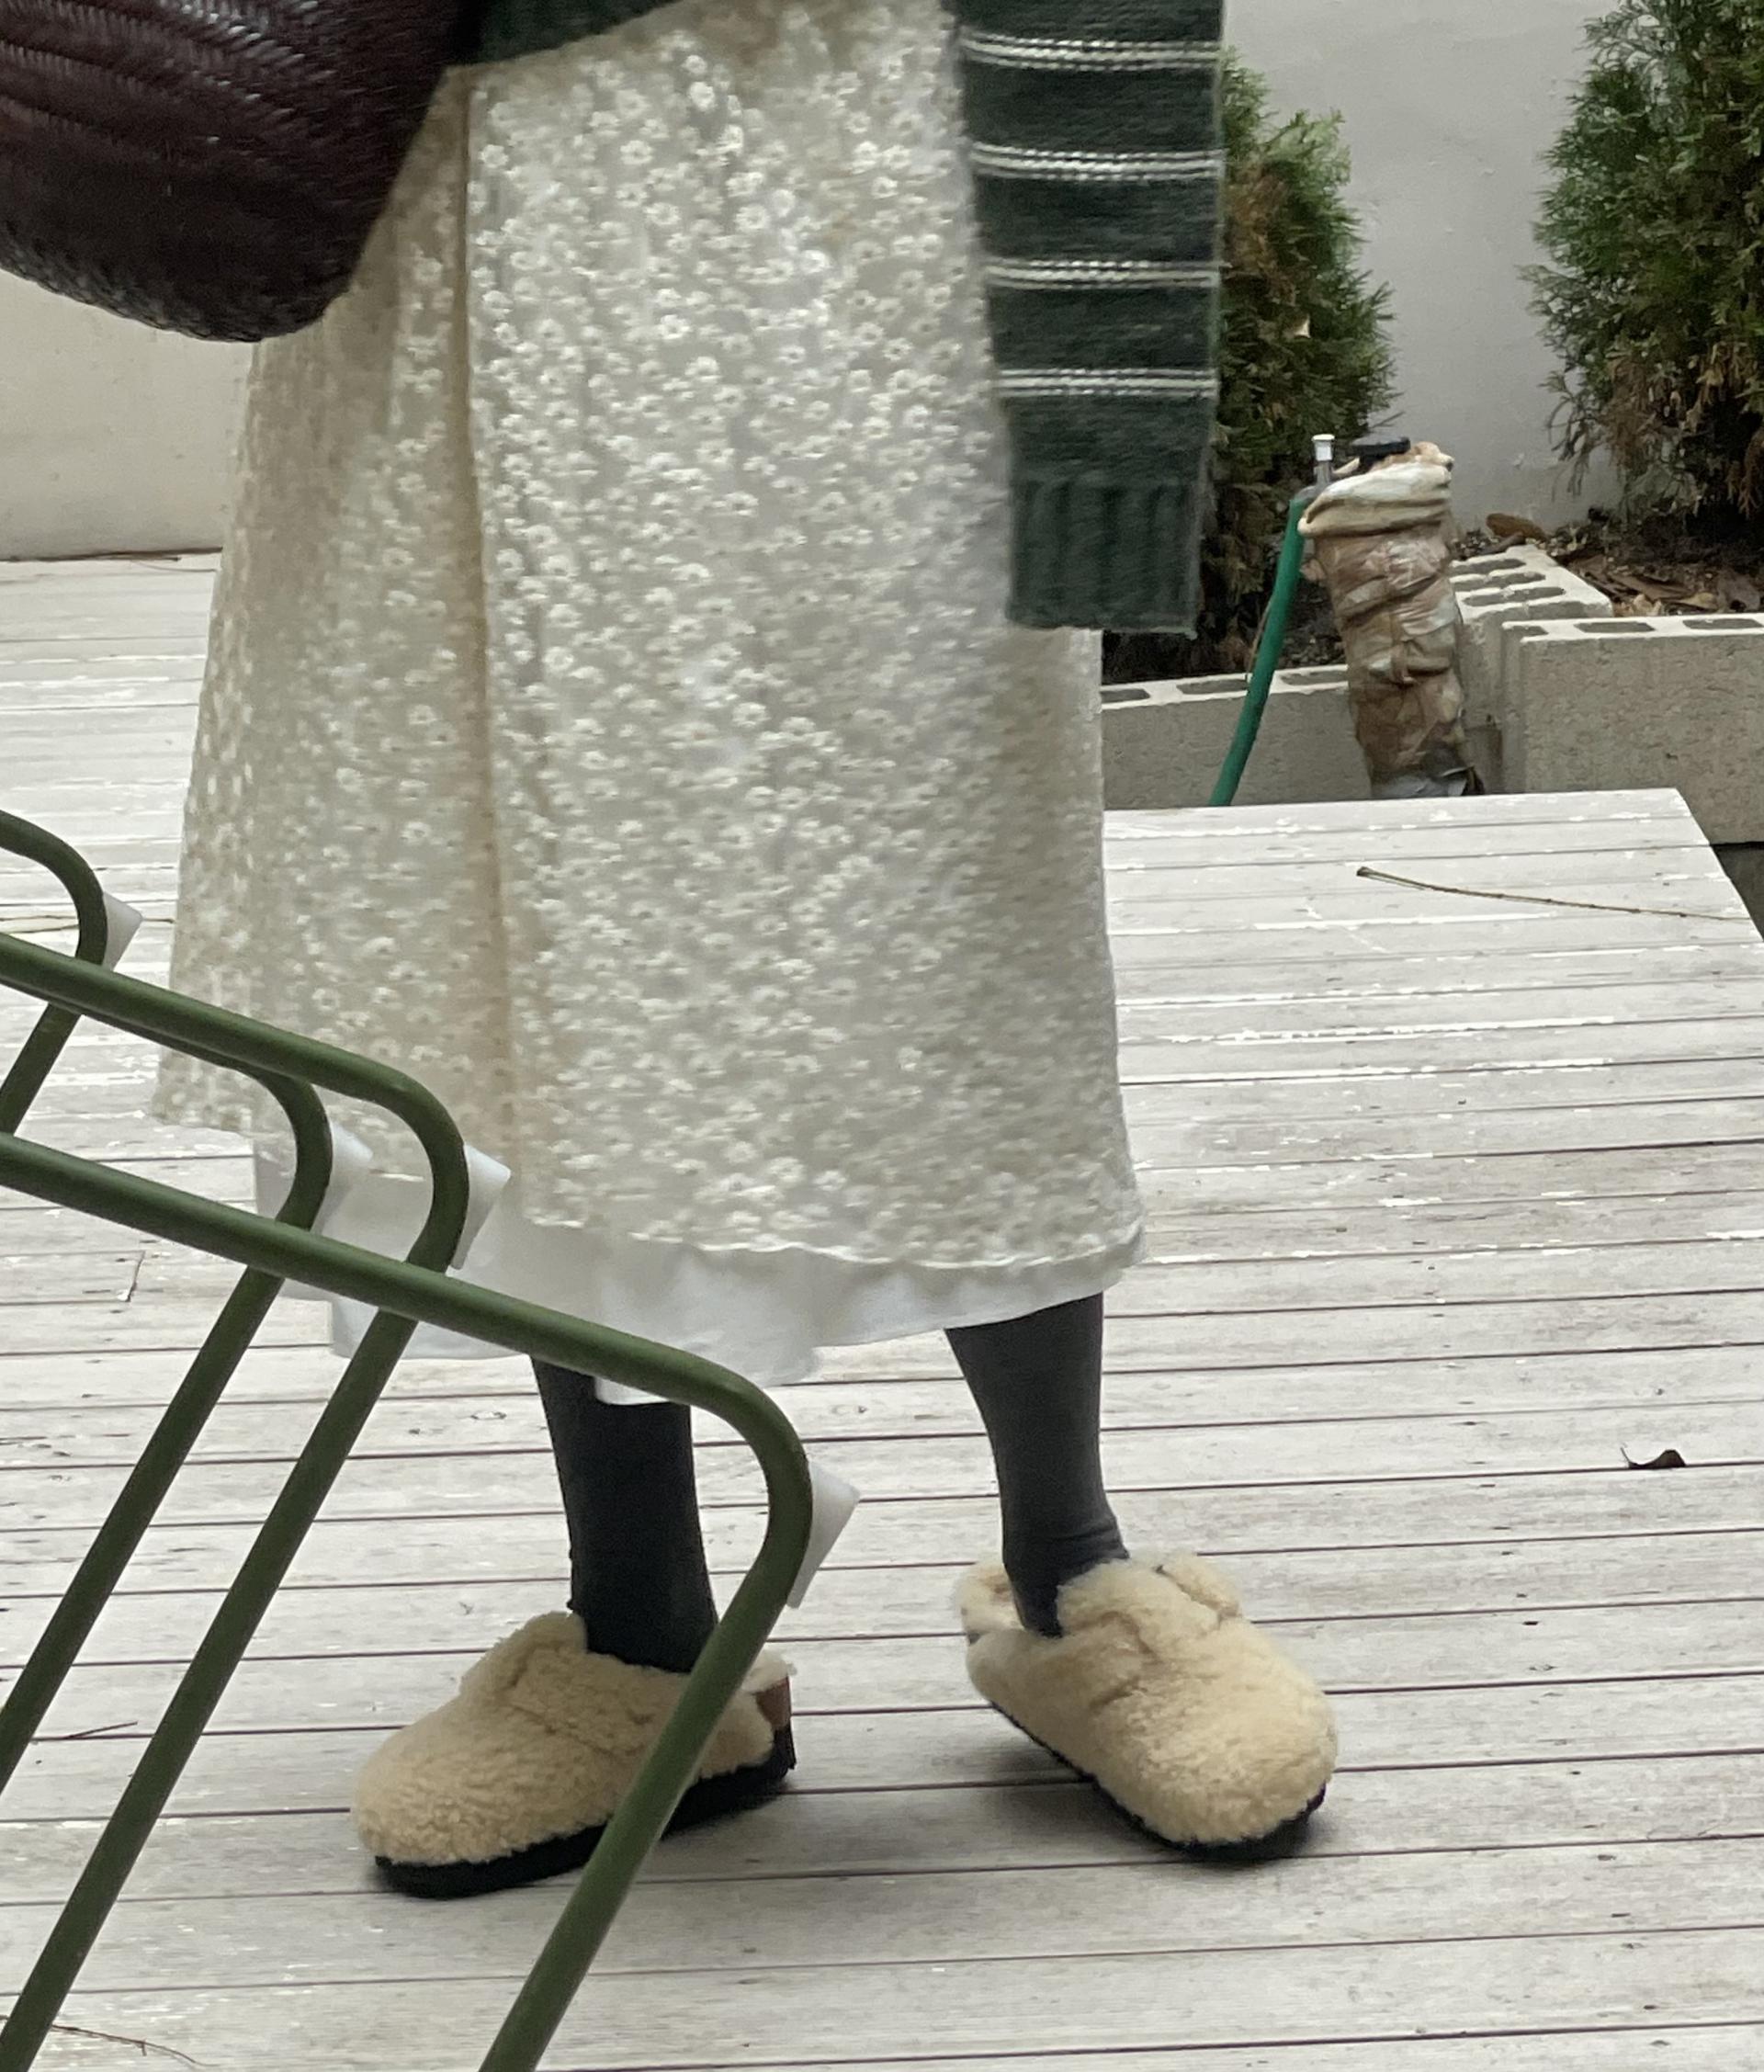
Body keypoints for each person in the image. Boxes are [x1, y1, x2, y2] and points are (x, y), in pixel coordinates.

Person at [157, 0, 1337, 1898]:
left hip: (853, 235)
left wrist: (1109, 426)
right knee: (526, 926)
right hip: (468, 242)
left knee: (959, 913)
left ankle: (1074, 1569)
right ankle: (645, 1638)